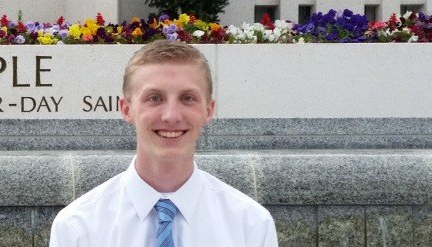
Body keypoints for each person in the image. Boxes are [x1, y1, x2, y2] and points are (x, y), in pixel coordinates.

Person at [49, 40, 277, 246]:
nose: (171, 116)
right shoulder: (77, 227)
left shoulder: (251, 225)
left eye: (187, 98)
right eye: (154, 98)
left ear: (208, 111)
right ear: (126, 110)